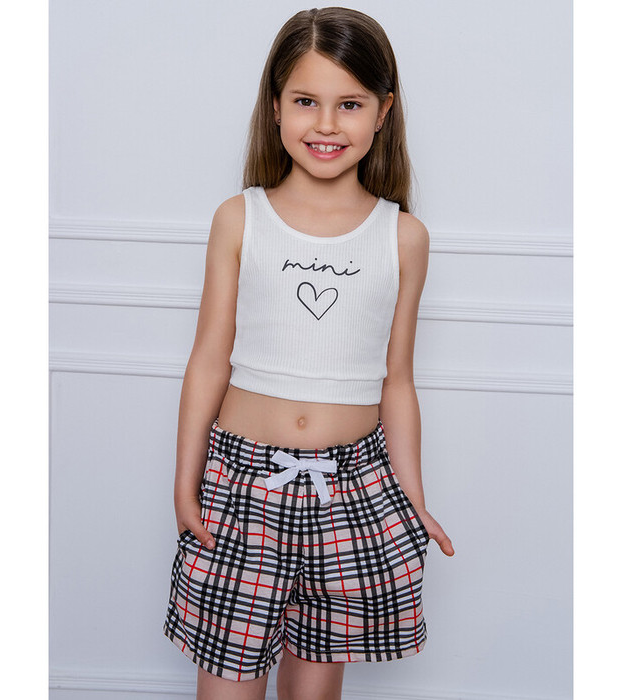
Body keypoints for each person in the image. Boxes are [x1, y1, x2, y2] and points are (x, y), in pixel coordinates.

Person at [163, 7, 454, 700]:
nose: (326, 124)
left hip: (353, 492)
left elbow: (397, 381)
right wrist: (185, 481)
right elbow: (208, 360)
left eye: (349, 104)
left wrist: (411, 495)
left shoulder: (403, 237)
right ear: (275, 107)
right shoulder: (240, 219)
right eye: (305, 102)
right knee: (227, 687)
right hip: (242, 489)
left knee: (315, 693)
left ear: (383, 112)